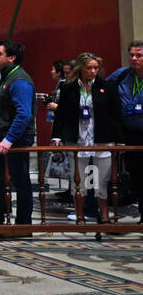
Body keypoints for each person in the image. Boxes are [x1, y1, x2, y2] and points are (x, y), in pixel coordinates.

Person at [53, 53, 124, 222]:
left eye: (96, 68)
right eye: (89, 68)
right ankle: (80, 214)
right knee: (80, 179)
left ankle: (104, 214)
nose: (93, 71)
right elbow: (61, 114)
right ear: (80, 69)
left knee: (102, 179)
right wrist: (56, 136)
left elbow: (116, 115)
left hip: (102, 137)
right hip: (77, 137)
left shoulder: (107, 87)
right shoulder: (68, 87)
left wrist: (120, 139)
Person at [0, 40, 36, 232]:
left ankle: (23, 225)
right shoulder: (4, 76)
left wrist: (9, 139)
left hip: (15, 138)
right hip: (1, 134)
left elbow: (24, 114)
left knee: (20, 180)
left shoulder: (19, 80)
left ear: (11, 58)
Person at [106, 40, 143, 207]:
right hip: (129, 134)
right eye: (132, 55)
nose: (134, 58)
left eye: (139, 55)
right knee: (135, 172)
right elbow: (103, 90)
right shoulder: (121, 75)